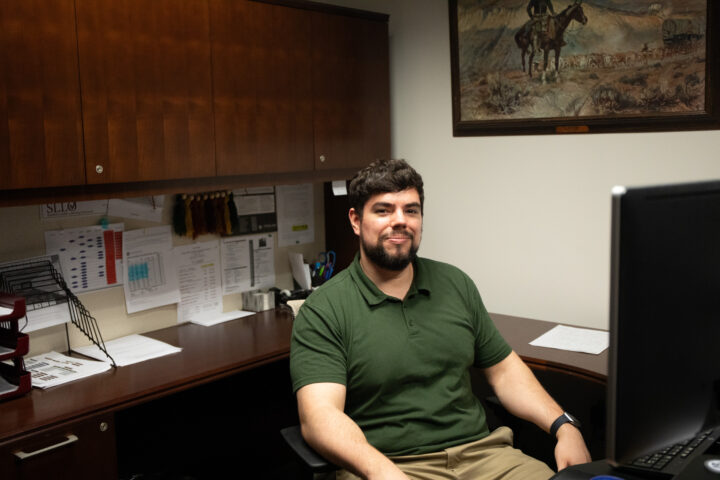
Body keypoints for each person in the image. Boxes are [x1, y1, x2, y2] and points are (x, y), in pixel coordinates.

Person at [290, 159, 591, 480]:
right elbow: (320, 416)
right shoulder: (325, 309)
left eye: (411, 210)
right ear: (355, 220)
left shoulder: (454, 284)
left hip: (485, 455)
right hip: (388, 464)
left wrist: (564, 426)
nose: (400, 221)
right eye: (383, 210)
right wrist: (382, 471)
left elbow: (505, 373)